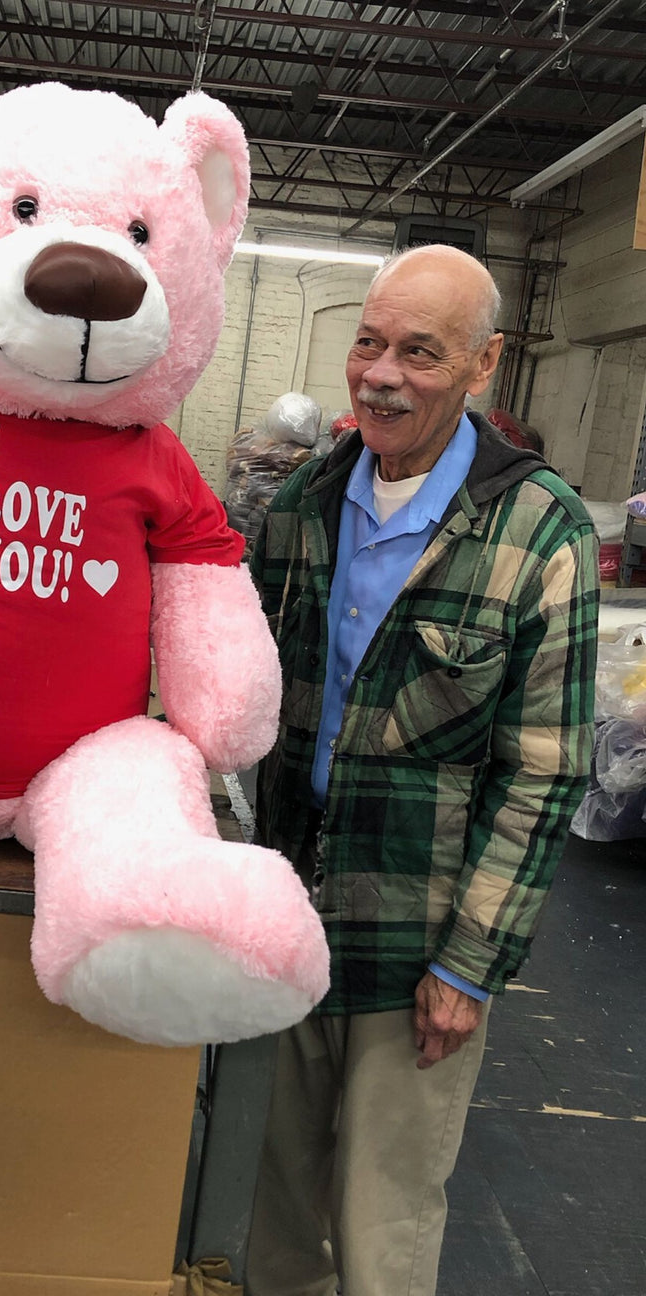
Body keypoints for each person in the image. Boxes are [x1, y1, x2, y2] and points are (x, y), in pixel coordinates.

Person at [245, 243, 599, 1296]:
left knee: (384, 1217)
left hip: (418, 938)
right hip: (285, 912)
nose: (382, 374)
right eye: (368, 343)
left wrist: (468, 967)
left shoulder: (541, 532)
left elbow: (545, 773)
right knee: (269, 1201)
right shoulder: (305, 507)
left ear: (483, 365)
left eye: (419, 352)